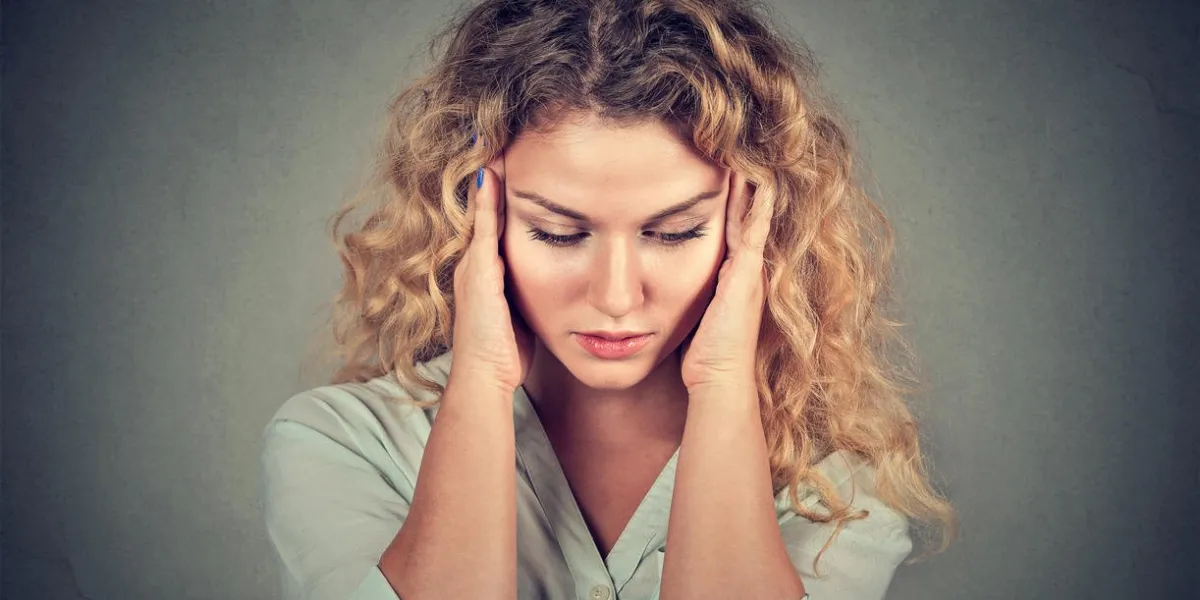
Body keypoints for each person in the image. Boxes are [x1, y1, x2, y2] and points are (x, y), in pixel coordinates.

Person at [260, 0, 957, 598]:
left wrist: (721, 382)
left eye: (676, 231)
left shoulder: (836, 486)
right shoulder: (340, 444)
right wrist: (479, 375)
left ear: (752, 224)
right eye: (559, 233)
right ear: (475, 213)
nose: (618, 296)